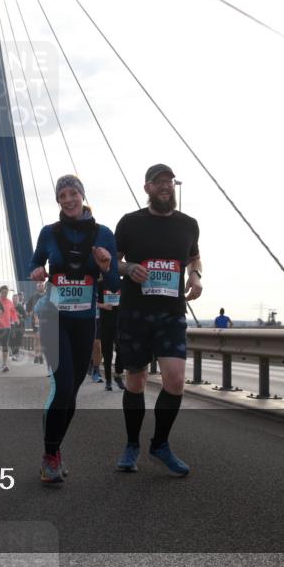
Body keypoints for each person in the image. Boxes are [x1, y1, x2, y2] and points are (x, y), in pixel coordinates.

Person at [29, 175, 119, 482]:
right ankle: (50, 456)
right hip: (54, 320)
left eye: (73, 193)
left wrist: (106, 267)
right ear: (58, 200)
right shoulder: (49, 233)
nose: (68, 199)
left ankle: (54, 449)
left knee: (72, 393)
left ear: (82, 195)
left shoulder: (104, 234)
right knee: (63, 385)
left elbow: (115, 285)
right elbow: (33, 266)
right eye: (62, 195)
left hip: (85, 322)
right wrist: (38, 272)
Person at [114, 164, 202, 478]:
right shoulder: (129, 222)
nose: (166, 186)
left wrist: (196, 275)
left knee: (175, 381)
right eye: (159, 182)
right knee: (135, 382)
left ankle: (160, 444)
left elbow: (194, 255)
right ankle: (131, 444)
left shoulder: (188, 224)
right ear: (148, 188)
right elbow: (113, 261)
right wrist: (128, 269)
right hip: (135, 311)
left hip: (171, 313)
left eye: (170, 182)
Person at [0, 285, 18, 372]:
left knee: (5, 345)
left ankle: (4, 365)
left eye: (6, 293)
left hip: (7, 327)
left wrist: (15, 320)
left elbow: (13, 313)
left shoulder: (10, 302)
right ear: (0, 292)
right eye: (3, 293)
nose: (5, 294)